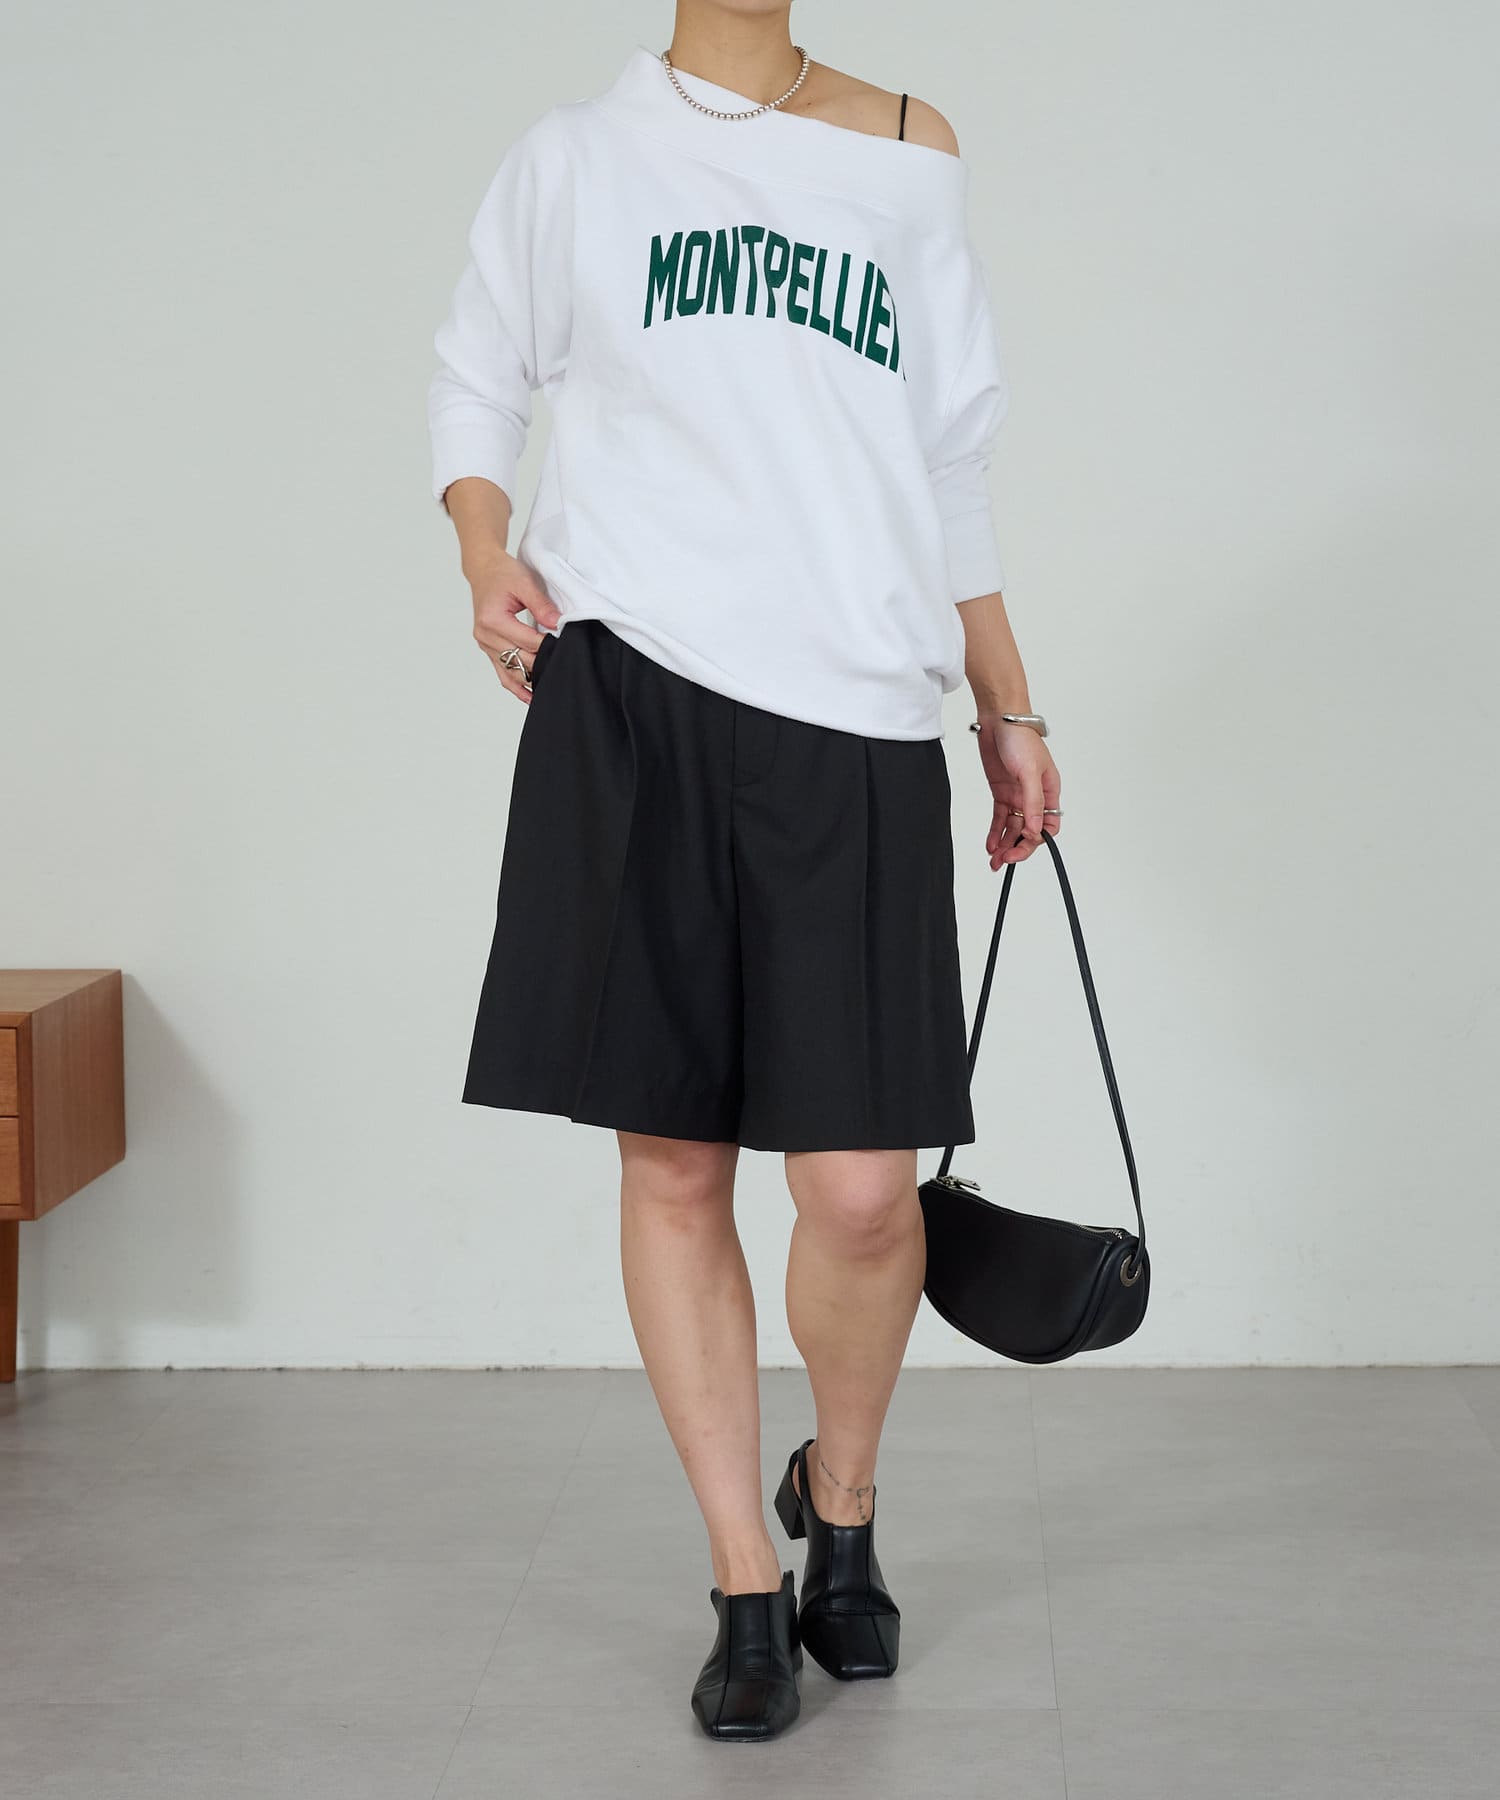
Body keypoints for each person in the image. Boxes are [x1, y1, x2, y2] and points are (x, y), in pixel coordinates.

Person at [426, 0, 1060, 1743]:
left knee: (862, 1189)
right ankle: (742, 1580)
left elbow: (948, 456)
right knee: (676, 1153)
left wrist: (1008, 704)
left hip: (857, 710)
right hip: (634, 693)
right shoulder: (577, 158)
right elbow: (477, 375)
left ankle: (839, 1501)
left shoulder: (909, 149)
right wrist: (485, 547)